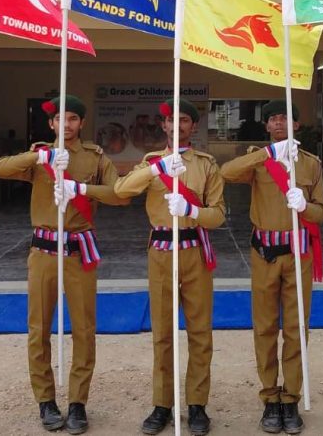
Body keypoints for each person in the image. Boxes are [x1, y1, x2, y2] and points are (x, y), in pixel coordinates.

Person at [0, 94, 127, 435]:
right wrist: (42, 156)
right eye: (60, 119)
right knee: (38, 328)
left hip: (79, 250)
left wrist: (80, 188)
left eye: (73, 118)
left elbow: (119, 193)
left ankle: (78, 402)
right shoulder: (39, 155)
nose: (66, 124)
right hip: (44, 250)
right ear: (51, 124)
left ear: (82, 123)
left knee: (84, 328)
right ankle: (45, 400)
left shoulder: (95, 156)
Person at [114, 99, 225, 436]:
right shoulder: (151, 162)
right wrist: (156, 170)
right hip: (162, 252)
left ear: (193, 126)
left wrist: (192, 211)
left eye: (185, 120)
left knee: (200, 332)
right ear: (163, 125)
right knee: (162, 333)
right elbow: (121, 190)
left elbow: (218, 214)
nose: (177, 126)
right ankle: (162, 404)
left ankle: (197, 404)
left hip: (194, 251)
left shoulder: (206, 165)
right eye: (171, 120)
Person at [220, 101, 323, 435]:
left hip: (298, 254)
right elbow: (227, 173)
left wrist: (305, 206)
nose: (279, 123)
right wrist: (268, 153)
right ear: (267, 126)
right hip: (264, 253)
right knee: (265, 327)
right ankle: (269, 395)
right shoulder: (258, 160)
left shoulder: (310, 163)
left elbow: (321, 212)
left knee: (296, 327)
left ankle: (290, 397)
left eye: (285, 118)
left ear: (296, 123)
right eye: (273, 119)